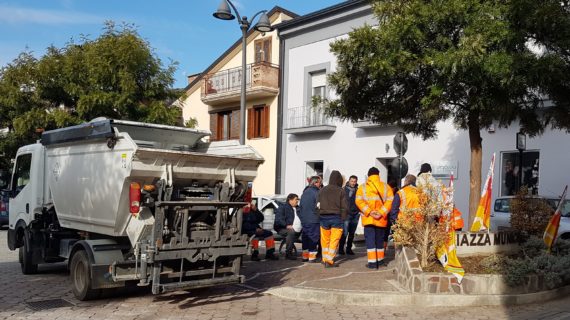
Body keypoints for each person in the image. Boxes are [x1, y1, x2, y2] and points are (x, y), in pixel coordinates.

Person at [356, 167, 394, 269]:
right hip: (381, 219)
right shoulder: (386, 187)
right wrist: (381, 213)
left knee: (370, 241)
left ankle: (372, 263)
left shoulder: (362, 187)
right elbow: (390, 200)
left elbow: (358, 201)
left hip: (368, 219)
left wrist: (369, 212)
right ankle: (380, 261)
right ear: (378, 175)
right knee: (380, 241)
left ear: (368, 175)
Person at [317, 170, 348, 268]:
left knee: (324, 239)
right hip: (336, 218)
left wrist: (320, 215)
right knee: (334, 240)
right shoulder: (341, 191)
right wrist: (343, 218)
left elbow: (317, 205)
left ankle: (324, 258)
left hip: (323, 217)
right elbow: (344, 207)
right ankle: (330, 260)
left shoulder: (322, 190)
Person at [299, 176, 321, 263]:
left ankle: (305, 256)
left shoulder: (304, 192)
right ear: (315, 183)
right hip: (314, 219)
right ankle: (312, 257)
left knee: (305, 237)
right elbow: (319, 206)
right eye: (319, 182)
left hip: (304, 219)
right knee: (313, 238)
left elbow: (301, 207)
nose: (320, 184)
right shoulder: (317, 193)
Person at [274, 193, 300, 260]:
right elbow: (278, 219)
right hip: (282, 228)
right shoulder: (283, 207)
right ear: (290, 200)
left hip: (297, 228)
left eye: (298, 199)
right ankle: (288, 253)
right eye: (296, 199)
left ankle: (310, 252)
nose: (297, 201)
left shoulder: (298, 208)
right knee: (290, 232)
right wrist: (286, 225)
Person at [339, 175, 359, 255]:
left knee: (352, 233)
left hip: (355, 214)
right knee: (345, 232)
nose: (353, 183)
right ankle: (341, 249)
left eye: (355, 181)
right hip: (346, 214)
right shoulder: (343, 189)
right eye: (352, 181)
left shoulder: (358, 190)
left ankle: (349, 249)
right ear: (349, 181)